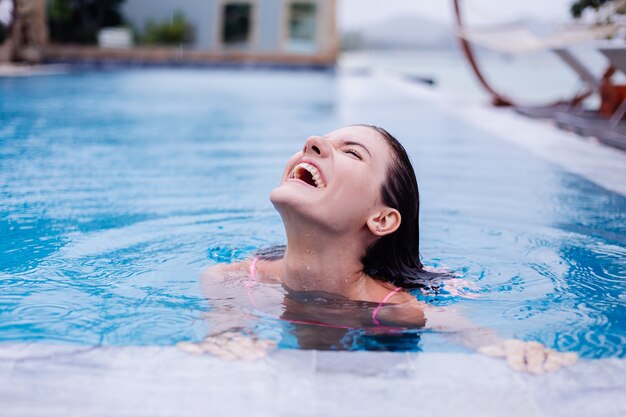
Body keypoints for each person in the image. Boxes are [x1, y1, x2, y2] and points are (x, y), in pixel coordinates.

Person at [186, 124, 577, 373]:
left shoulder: (396, 309)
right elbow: (226, 324)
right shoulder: (229, 280)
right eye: (323, 141)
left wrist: (513, 349)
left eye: (353, 153)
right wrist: (226, 333)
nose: (313, 142)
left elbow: (468, 331)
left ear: (382, 219)